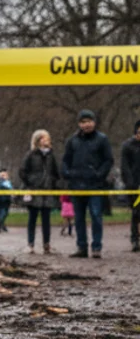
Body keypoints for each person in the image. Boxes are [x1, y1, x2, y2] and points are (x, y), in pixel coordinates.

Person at [61, 109, 113, 258]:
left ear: (94, 122)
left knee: (96, 215)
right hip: (77, 185)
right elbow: (65, 160)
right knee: (79, 218)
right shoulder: (72, 141)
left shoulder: (102, 139)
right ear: (79, 124)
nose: (86, 125)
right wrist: (67, 174)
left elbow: (108, 160)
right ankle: (81, 247)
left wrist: (99, 175)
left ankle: (96, 247)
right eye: (83, 122)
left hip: (95, 185)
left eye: (89, 121)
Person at [20, 129, 60, 254]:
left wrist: (53, 183)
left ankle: (46, 245)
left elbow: (56, 172)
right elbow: (22, 171)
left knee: (46, 220)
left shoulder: (51, 156)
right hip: (34, 191)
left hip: (47, 192)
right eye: (43, 138)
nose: (46, 141)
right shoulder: (31, 155)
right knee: (32, 219)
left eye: (47, 138)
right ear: (37, 141)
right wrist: (32, 182)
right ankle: (30, 244)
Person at [120, 119, 140, 252]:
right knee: (136, 213)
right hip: (134, 186)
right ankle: (135, 239)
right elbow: (125, 167)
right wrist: (131, 184)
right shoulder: (127, 146)